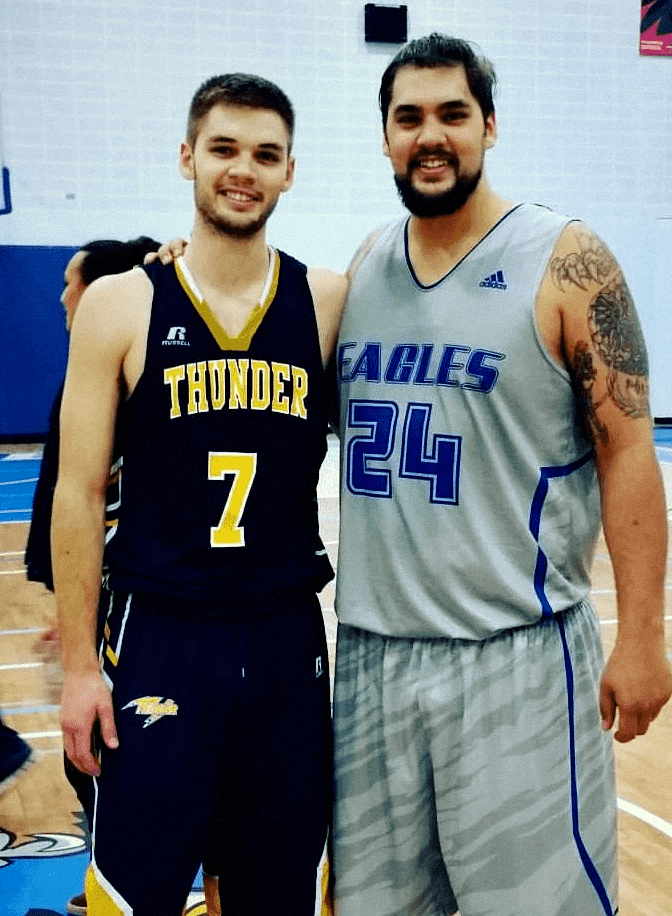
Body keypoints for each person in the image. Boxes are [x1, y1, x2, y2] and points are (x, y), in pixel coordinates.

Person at [332, 34, 672, 916]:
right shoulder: (363, 268)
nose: (430, 135)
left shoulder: (566, 260)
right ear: (383, 137)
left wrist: (642, 636)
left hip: (513, 660)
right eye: (408, 118)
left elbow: (627, 449)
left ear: (489, 125)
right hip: (373, 659)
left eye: (452, 113)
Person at [52, 73, 345, 916]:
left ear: (291, 171)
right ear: (187, 157)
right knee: (133, 890)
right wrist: (78, 669)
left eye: (264, 154)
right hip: (161, 631)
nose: (241, 169)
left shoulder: (326, 301)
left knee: (276, 888)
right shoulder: (121, 303)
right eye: (222, 149)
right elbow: (75, 495)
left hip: (287, 634)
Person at [24, 236, 161, 916]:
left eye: (69, 283)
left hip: (118, 615)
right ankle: (96, 885)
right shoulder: (84, 372)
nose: (60, 297)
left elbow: (106, 500)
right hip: (83, 602)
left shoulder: (120, 380)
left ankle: (103, 889)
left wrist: (92, 612)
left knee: (103, 756)